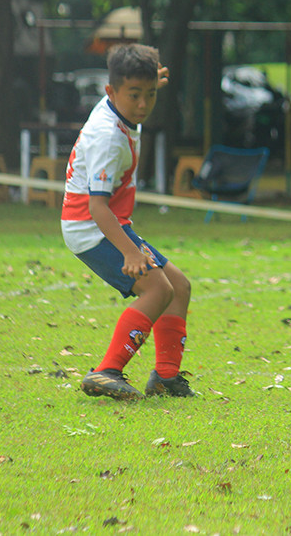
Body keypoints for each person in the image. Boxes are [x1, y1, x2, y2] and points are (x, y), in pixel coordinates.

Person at [61, 44, 194, 400]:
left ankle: (165, 377)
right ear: (112, 91)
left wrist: (147, 82)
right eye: (134, 95)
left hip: (108, 222)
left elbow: (135, 89)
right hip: (90, 227)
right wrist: (130, 253)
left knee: (179, 286)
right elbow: (97, 206)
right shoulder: (108, 138)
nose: (143, 104)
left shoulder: (116, 106)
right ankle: (106, 371)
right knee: (158, 290)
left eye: (150, 94)